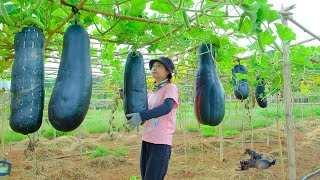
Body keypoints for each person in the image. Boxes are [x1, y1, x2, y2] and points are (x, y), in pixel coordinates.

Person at [126, 56, 179, 180]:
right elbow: (145, 112)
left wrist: (142, 115)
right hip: (147, 138)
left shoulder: (171, 88)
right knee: (145, 176)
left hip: (161, 140)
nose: (154, 68)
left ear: (167, 71)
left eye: (159, 66)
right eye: (153, 66)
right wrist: (126, 97)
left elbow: (167, 107)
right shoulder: (151, 92)